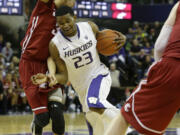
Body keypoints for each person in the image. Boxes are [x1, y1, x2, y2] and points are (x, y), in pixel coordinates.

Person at [32, 6, 126, 135]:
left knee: (95, 103)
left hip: (99, 75)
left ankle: (129, 122)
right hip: (82, 91)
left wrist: (121, 40)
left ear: (74, 18)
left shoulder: (89, 27)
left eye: (67, 21)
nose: (65, 25)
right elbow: (64, 77)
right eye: (61, 23)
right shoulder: (55, 45)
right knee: (97, 128)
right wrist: (49, 77)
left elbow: (106, 40)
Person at [104, 1, 180, 135]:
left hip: (172, 66)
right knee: (153, 129)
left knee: (125, 115)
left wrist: (159, 69)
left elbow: (160, 46)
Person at [19, 0, 75, 135]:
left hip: (50, 64)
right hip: (30, 63)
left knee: (57, 115)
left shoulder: (67, 21)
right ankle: (36, 123)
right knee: (43, 119)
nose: (72, 1)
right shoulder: (44, 6)